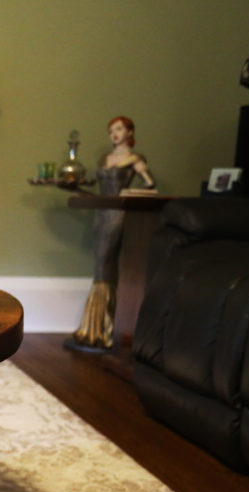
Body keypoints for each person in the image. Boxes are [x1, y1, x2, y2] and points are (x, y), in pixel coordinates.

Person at [72, 115, 157, 349]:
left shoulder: (134, 159)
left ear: (130, 132)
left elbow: (149, 184)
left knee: (108, 263)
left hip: (119, 214)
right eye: (111, 131)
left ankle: (103, 326)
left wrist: (130, 195)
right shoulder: (105, 158)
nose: (115, 134)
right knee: (101, 263)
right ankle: (94, 326)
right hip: (101, 213)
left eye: (119, 129)